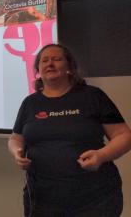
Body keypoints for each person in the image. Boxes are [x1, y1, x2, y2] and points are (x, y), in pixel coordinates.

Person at [8, 44, 131, 216]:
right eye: (44, 60)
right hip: (42, 197)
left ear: (70, 67)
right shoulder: (30, 103)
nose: (50, 63)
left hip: (95, 198)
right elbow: (15, 138)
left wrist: (101, 156)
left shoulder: (92, 96)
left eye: (56, 59)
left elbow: (123, 135)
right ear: (38, 70)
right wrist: (16, 152)